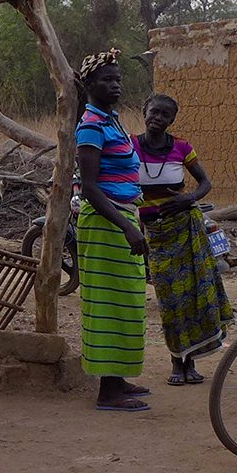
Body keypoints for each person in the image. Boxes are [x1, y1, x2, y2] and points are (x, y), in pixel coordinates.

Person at [135, 93, 234, 384]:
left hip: (186, 229)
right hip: (154, 235)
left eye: (165, 115)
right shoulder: (130, 146)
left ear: (172, 120)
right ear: (144, 111)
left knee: (193, 295)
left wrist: (187, 198)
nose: (158, 118)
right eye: (154, 112)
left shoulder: (181, 147)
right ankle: (175, 362)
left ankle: (189, 362)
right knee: (169, 300)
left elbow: (205, 182)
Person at [74, 49, 149, 411]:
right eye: (107, 79)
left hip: (121, 218)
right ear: (89, 85)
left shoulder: (112, 120)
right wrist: (127, 228)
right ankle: (108, 392)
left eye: (118, 79)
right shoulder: (90, 126)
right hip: (106, 224)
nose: (115, 85)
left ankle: (118, 378)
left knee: (128, 302)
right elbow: (90, 187)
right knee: (110, 303)